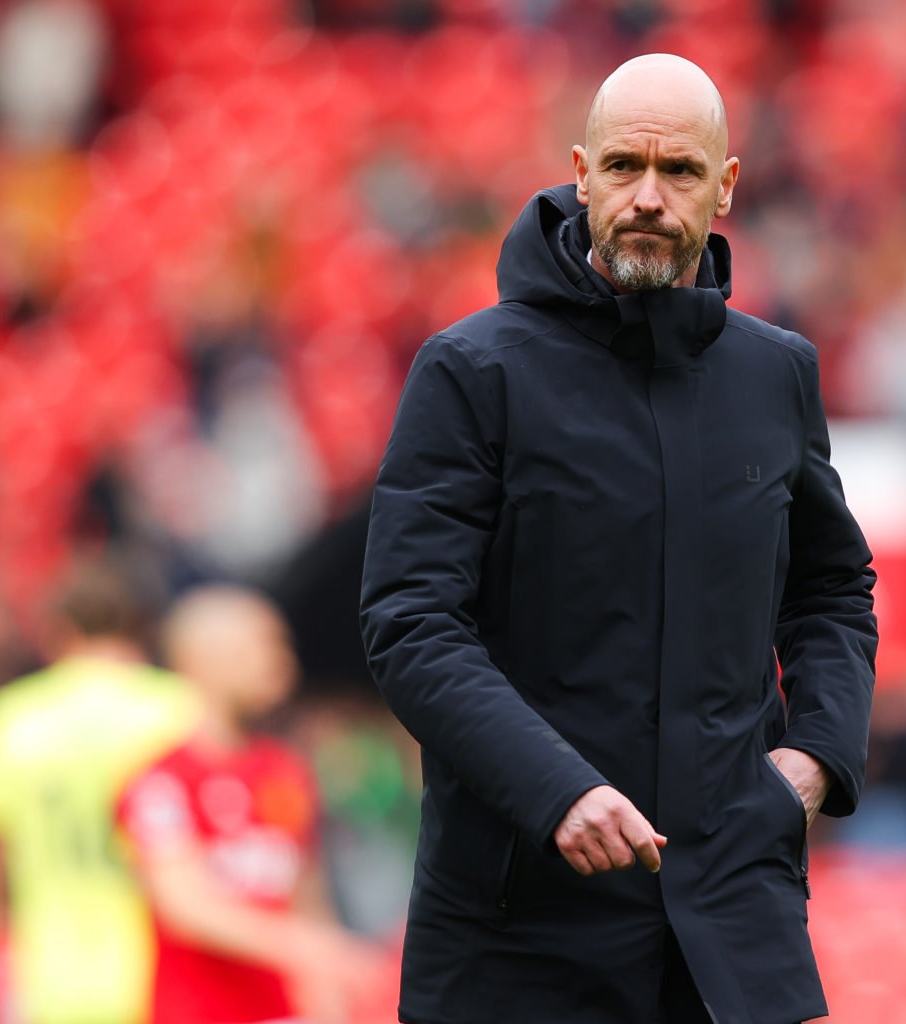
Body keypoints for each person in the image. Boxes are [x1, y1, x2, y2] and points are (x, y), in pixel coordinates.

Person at [359, 53, 878, 1024]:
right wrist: (557, 792)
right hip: (517, 938)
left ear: (724, 188)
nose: (647, 196)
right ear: (579, 171)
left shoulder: (777, 375)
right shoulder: (472, 372)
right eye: (623, 167)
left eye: (679, 172)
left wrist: (818, 753)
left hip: (732, 930)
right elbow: (411, 624)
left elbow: (832, 591)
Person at [0, 561, 200, 1024]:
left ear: (55, 629)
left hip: (48, 984)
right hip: (170, 980)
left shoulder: (12, 719)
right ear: (145, 625)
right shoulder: (183, 711)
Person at [116, 586, 376, 1024]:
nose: (282, 661)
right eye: (262, 644)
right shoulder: (161, 781)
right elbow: (183, 904)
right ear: (202, 660)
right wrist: (303, 946)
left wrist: (326, 987)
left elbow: (306, 896)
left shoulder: (285, 770)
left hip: (281, 1013)